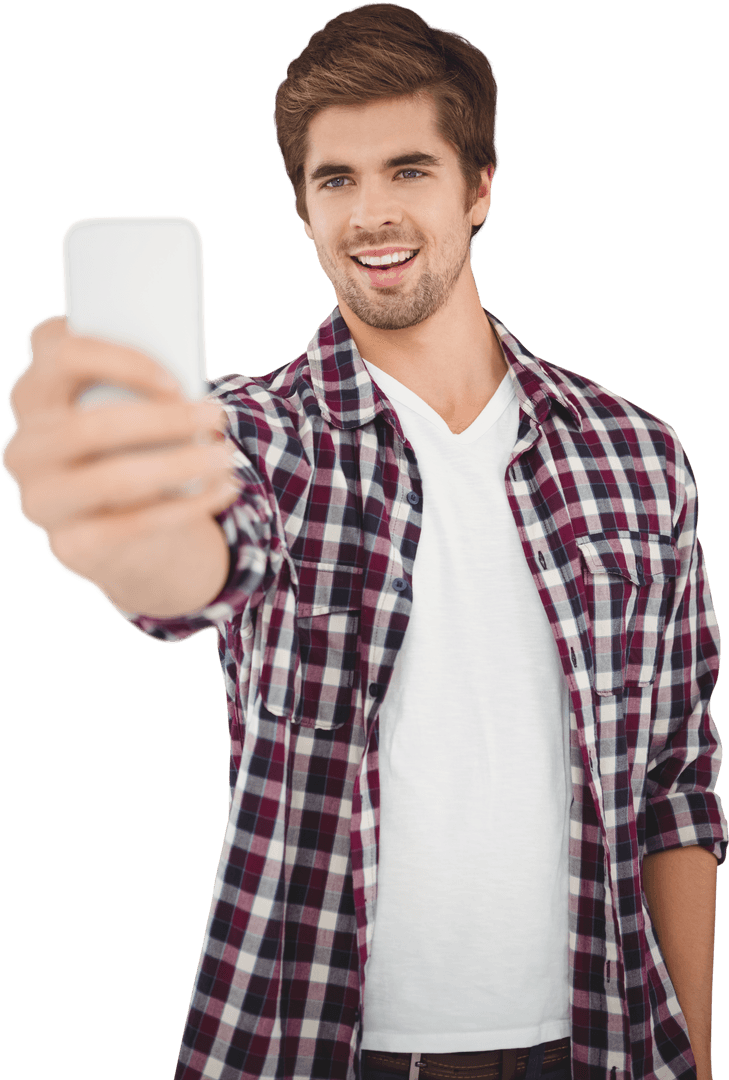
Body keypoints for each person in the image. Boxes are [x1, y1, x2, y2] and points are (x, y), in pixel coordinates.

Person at [2, 4, 725, 1079]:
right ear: (302, 211)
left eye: (408, 170)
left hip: (599, 1045)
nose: (370, 213)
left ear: (479, 188)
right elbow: (200, 556)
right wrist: (124, 526)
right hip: (318, 1049)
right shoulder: (258, 434)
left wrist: (693, 1055)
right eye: (335, 179)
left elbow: (675, 780)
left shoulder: (635, 455)